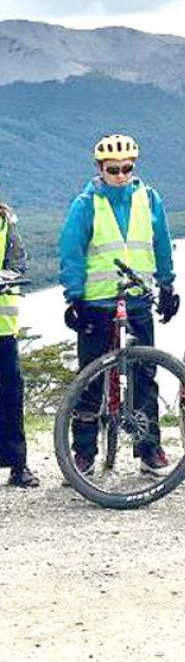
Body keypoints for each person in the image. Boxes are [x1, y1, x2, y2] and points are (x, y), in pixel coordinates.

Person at [60, 134, 180, 476]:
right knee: (90, 378)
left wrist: (168, 285)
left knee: (145, 374)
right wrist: (73, 298)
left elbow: (162, 244)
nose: (121, 175)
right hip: (97, 304)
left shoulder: (149, 198)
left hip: (138, 298)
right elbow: (72, 251)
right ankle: (83, 454)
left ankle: (149, 449)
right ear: (101, 168)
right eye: (114, 169)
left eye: (128, 168)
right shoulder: (86, 204)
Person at [0, 202, 39, 488]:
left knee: (12, 392)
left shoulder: (4, 222)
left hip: (2, 327)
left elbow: (18, 262)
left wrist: (5, 277)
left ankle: (18, 465)